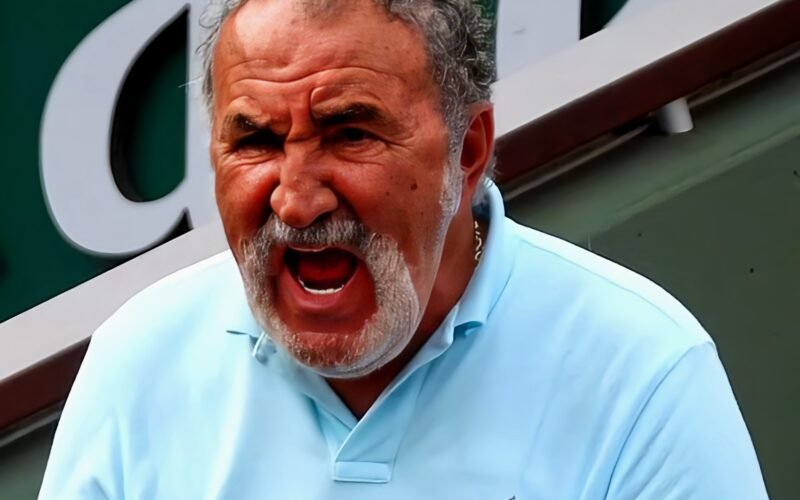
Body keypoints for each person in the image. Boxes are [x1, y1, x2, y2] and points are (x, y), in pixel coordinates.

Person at [39, 0, 768, 498]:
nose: (296, 201)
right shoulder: (139, 361)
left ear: (468, 151)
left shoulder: (639, 373)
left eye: (350, 133)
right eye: (256, 140)